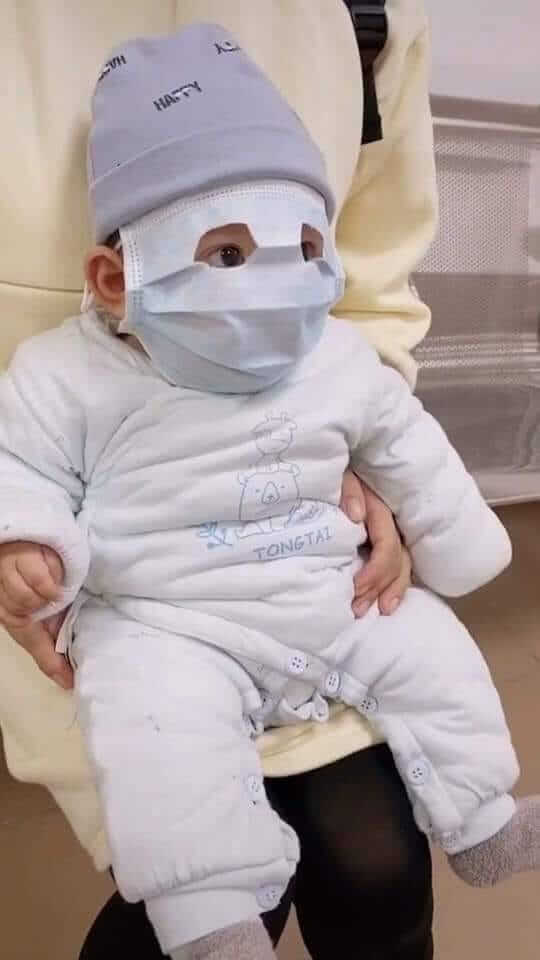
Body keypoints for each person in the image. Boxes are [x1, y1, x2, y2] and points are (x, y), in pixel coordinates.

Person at [2, 22, 540, 960]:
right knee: (158, 740)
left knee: (431, 654)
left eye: (304, 246)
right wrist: (24, 542)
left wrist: (453, 539)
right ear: (116, 279)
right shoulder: (66, 375)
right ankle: (207, 914)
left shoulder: (332, 354)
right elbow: (19, 463)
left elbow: (403, 438)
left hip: (321, 582)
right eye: (227, 255)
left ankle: (484, 815)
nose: (278, 286)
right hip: (162, 616)